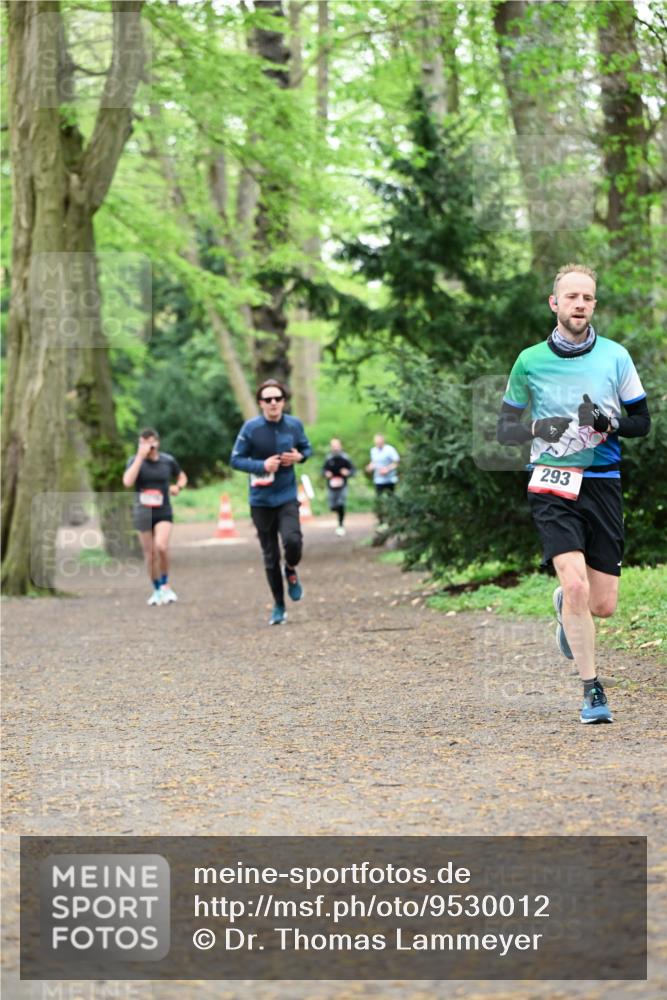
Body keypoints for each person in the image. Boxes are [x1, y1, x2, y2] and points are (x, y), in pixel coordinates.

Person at [497, 263, 650, 724]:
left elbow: (641, 423)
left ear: (594, 305)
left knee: (601, 604)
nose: (579, 305)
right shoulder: (529, 360)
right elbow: (505, 430)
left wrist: (612, 424)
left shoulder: (616, 357)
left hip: (602, 483)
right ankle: (592, 690)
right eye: (571, 297)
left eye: (587, 298)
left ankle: (568, 607)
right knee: (577, 583)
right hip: (551, 481)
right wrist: (537, 427)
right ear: (555, 303)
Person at [230, 379, 313, 626]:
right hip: (261, 499)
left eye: (277, 398)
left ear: (284, 401)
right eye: (268, 399)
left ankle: (291, 568)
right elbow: (235, 460)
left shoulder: (294, 425)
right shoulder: (251, 428)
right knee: (270, 555)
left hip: (286, 495)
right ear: (261, 403)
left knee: (293, 541)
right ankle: (279, 605)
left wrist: (299, 456)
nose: (273, 403)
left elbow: (307, 450)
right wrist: (261, 465)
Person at [122, 428, 187, 606]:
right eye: (143, 442)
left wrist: (178, 487)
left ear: (157, 442)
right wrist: (139, 458)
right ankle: (157, 589)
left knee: (161, 547)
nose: (148, 446)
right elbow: (127, 482)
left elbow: (181, 476)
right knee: (150, 554)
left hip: (163, 510)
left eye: (151, 441)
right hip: (143, 512)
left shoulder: (167, 460)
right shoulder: (134, 461)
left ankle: (166, 584)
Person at [322, 438, 356, 536]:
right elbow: (323, 470)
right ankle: (338, 517)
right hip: (331, 486)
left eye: (337, 446)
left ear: (340, 446)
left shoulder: (345, 458)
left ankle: (340, 525)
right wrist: (326, 473)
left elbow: (353, 470)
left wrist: (347, 473)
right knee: (332, 506)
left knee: (341, 503)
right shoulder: (328, 458)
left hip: (342, 485)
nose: (335, 448)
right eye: (333, 446)